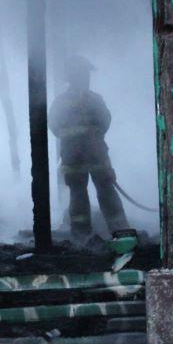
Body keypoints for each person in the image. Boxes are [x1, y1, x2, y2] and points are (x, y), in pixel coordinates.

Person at [49, 56, 129, 238]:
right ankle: (122, 233)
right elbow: (105, 121)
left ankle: (81, 236)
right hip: (96, 155)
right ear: (79, 76)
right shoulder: (95, 100)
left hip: (72, 157)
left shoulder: (60, 102)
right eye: (85, 73)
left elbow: (54, 126)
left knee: (78, 194)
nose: (87, 77)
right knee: (106, 192)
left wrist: (71, 139)